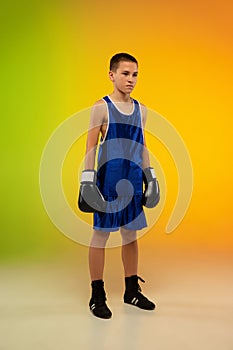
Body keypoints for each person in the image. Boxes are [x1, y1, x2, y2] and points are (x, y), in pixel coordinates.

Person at [78, 53, 160, 319]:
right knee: (101, 236)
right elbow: (91, 146)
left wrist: (151, 176)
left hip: (133, 182)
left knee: (130, 236)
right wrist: (87, 180)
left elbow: (142, 146)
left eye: (135, 74)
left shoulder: (141, 110)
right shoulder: (101, 107)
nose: (131, 80)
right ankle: (97, 294)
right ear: (112, 75)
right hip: (109, 182)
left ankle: (131, 290)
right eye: (125, 74)